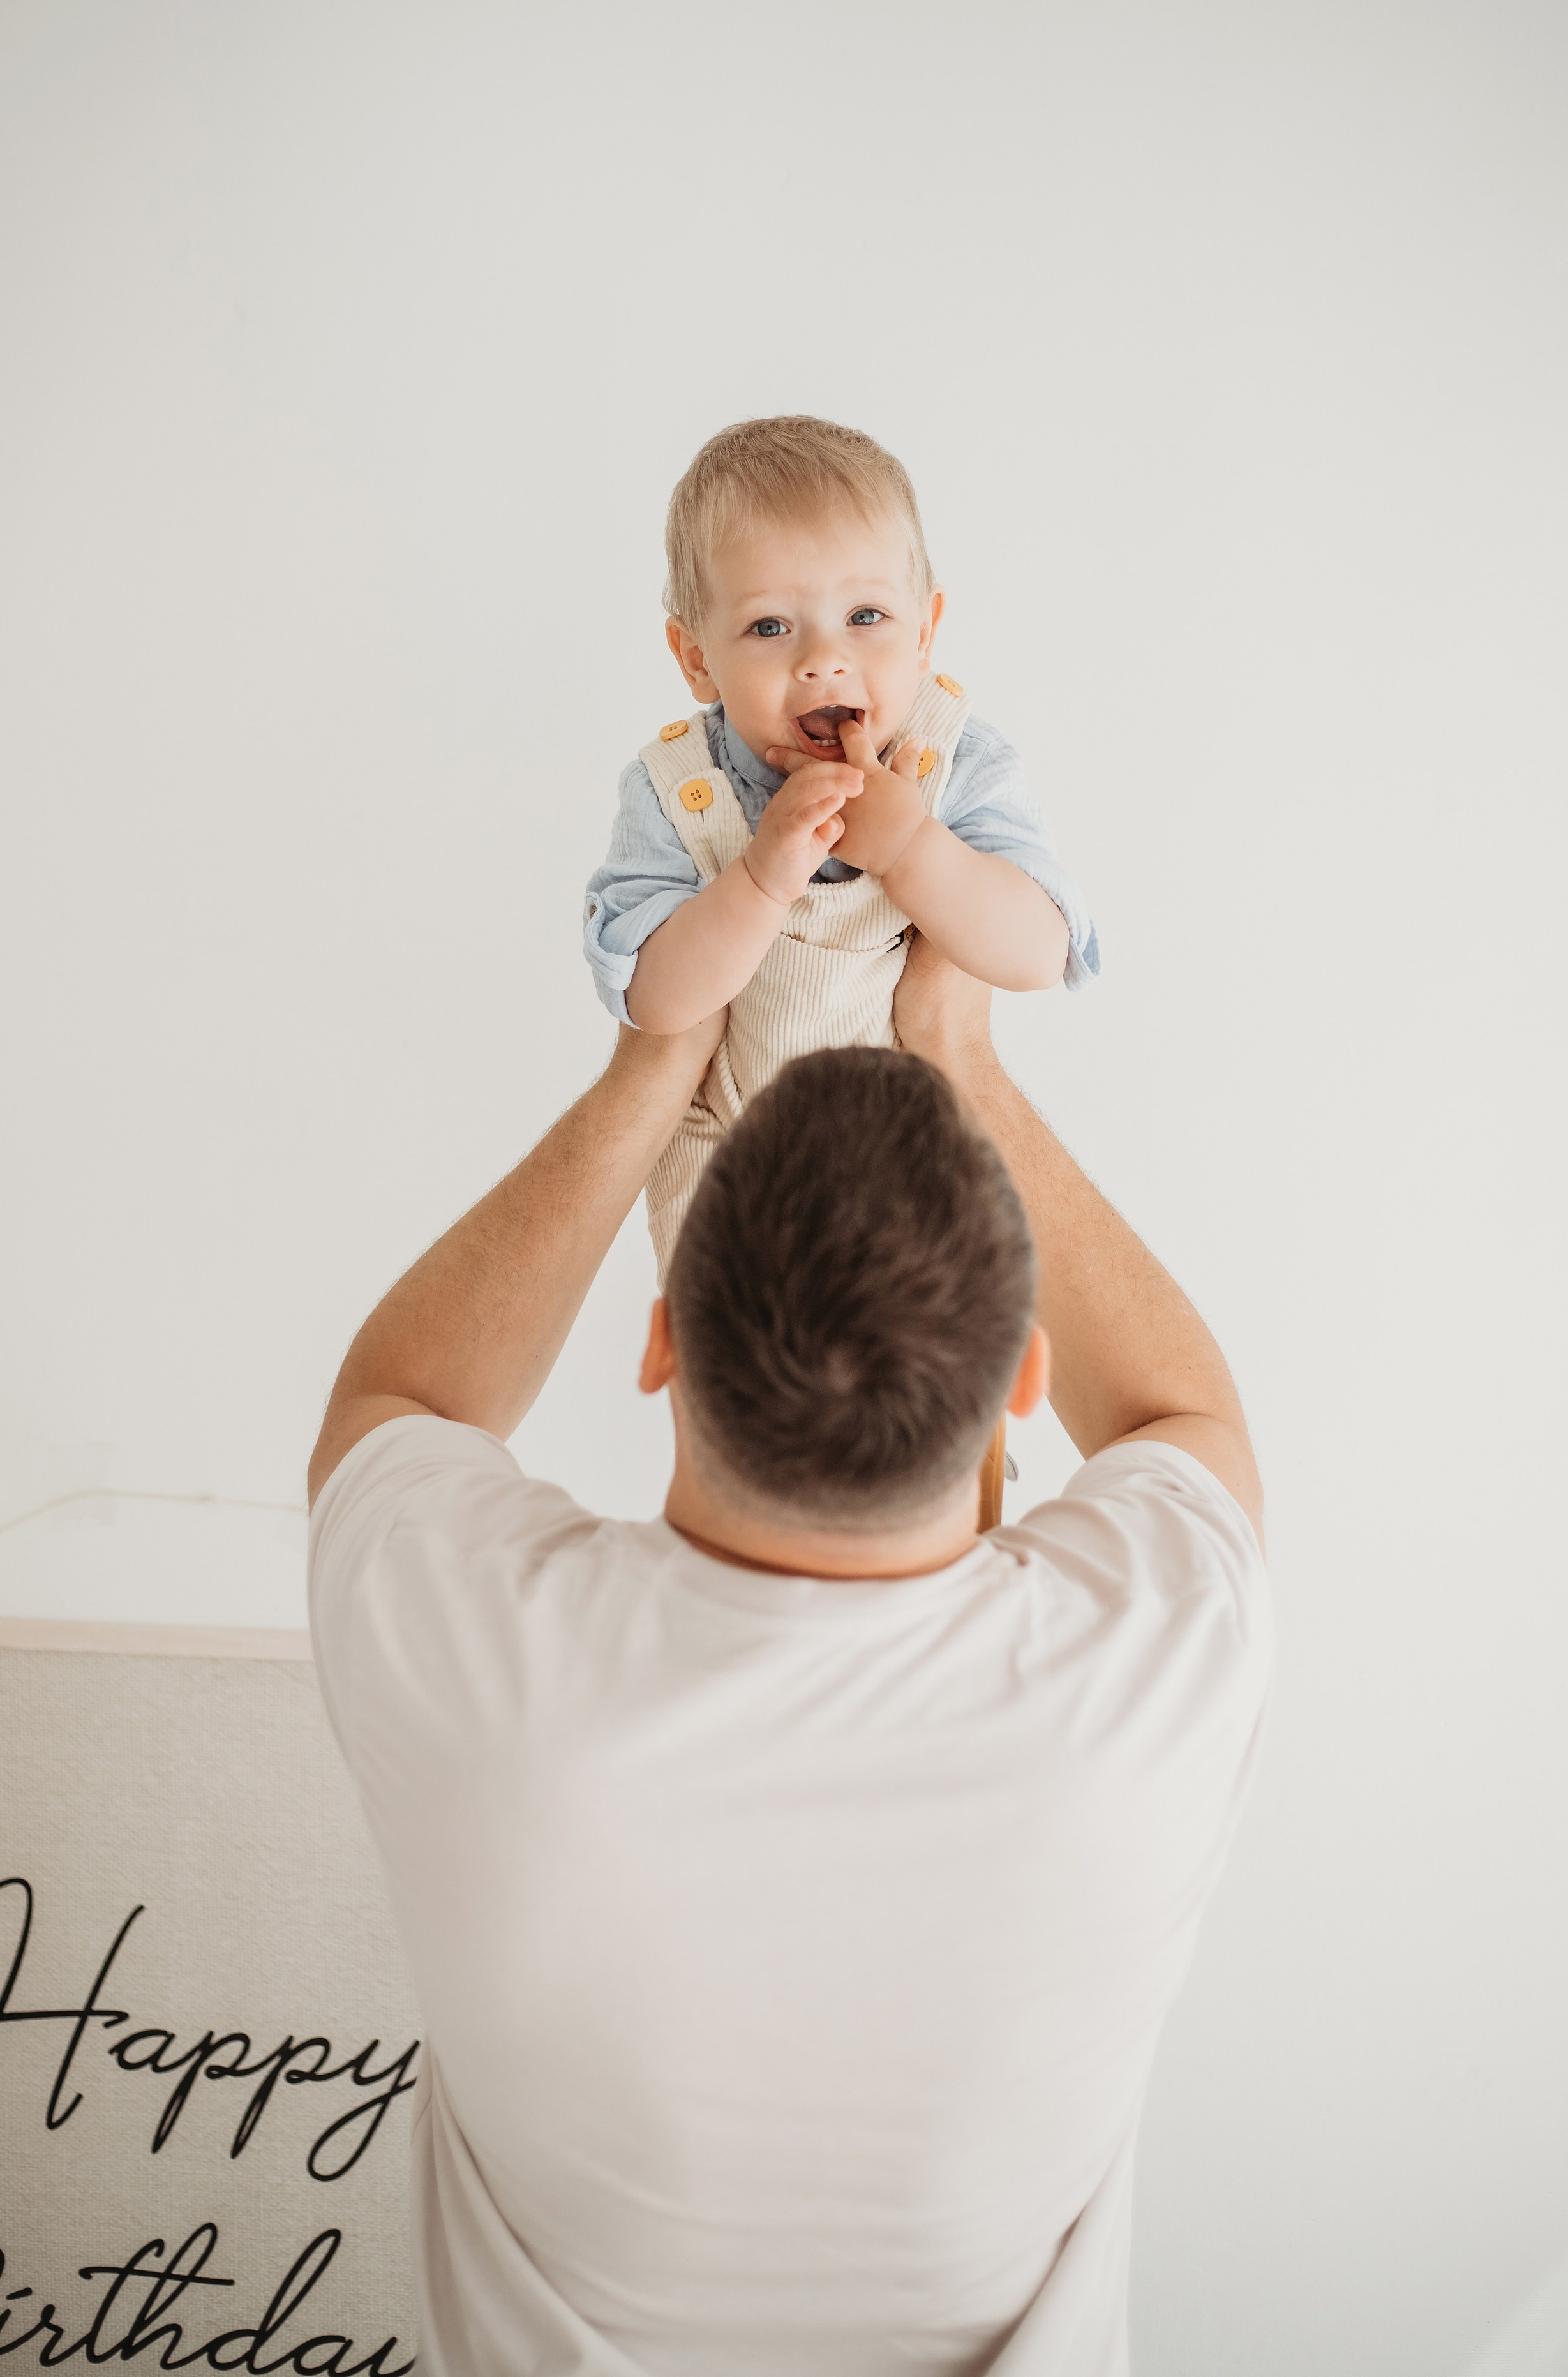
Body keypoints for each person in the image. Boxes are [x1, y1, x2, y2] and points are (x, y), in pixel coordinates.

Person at [306, 943, 1273, 2377]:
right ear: (1023, 1374)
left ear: (657, 1348)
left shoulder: (492, 1686)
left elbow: (403, 1397)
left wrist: (654, 1065)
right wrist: (963, 1048)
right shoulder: (1142, 1688)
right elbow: (1176, 1417)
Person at [582, 415, 1101, 1286]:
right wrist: (758, 878)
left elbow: (1040, 952)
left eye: (866, 616)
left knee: (938, 1369)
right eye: (770, 628)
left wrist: (910, 844)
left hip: (922, 1147)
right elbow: (653, 1001)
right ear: (695, 657)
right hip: (733, 1155)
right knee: (747, 1384)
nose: (826, 660)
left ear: (927, 628)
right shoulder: (680, 789)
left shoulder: (954, 762)